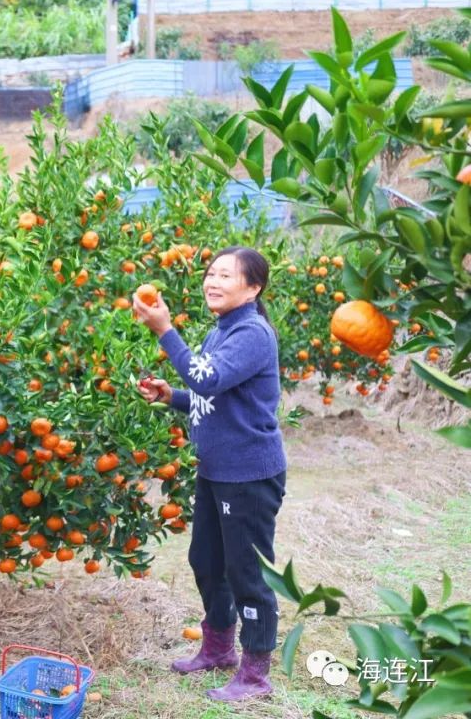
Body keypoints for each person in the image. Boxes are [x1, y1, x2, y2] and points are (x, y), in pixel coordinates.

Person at [132, 246, 286, 702]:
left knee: (247, 572)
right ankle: (219, 648)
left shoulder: (253, 332)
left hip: (248, 473)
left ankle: (256, 672)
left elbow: (207, 378)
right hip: (218, 469)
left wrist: (165, 331)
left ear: (253, 287)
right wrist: (171, 395)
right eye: (210, 273)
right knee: (207, 562)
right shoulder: (224, 330)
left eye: (225, 275)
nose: (212, 282)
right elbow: (209, 390)